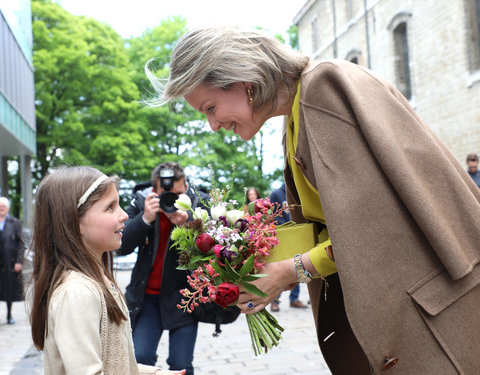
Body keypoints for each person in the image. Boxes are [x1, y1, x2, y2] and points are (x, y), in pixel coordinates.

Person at [145, 26, 480, 374]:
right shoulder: (296, 116)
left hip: (432, 318)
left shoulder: (323, 89)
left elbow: (377, 228)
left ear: (242, 79)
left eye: (210, 107)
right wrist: (257, 262)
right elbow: (333, 226)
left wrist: (289, 271)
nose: (213, 125)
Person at [29, 166, 184, 375]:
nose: (124, 216)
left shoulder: (99, 281)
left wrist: (155, 373)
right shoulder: (76, 292)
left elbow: (116, 364)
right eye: (110, 207)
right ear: (74, 222)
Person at [117, 162, 208, 375]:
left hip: (183, 296)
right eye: (165, 194)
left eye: (177, 194)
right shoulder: (141, 202)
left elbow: (212, 249)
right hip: (146, 296)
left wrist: (190, 224)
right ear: (154, 190)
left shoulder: (198, 203)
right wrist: (145, 219)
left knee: (181, 364)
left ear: (186, 186)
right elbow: (121, 247)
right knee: (141, 358)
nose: (172, 200)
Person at [268, 183, 308, 312]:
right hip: (282, 235)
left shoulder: (297, 193)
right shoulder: (276, 194)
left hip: (296, 234)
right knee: (280, 267)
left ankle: (294, 299)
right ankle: (275, 300)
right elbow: (272, 215)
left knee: (296, 265)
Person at [0, 196, 24, 325]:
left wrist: (19, 261)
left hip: (9, 262)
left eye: (3, 206)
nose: (1, 208)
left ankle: (9, 315)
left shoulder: (14, 222)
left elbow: (21, 243)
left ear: (7, 208)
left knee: (9, 290)